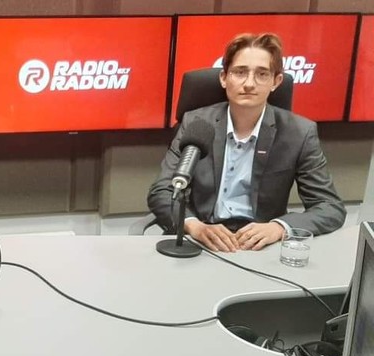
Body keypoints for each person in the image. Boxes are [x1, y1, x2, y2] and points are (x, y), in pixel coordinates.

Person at [147, 33, 345, 252]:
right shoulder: (196, 123)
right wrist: (194, 226)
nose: (249, 83)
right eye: (240, 72)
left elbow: (329, 207)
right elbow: (162, 192)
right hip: (201, 242)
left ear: (276, 81)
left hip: (261, 246)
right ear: (224, 78)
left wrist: (278, 227)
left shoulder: (299, 132)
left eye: (262, 74)